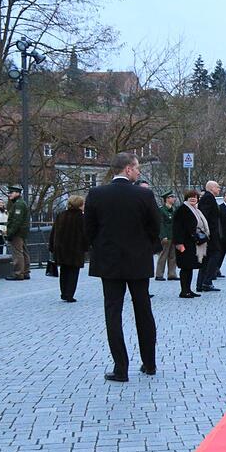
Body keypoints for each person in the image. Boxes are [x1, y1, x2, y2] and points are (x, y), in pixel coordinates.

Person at [84, 152, 161, 382]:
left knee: (113, 313)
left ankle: (121, 368)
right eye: (137, 168)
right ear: (127, 169)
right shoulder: (144, 195)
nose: (138, 172)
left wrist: (103, 247)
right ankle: (149, 363)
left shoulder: (96, 194)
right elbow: (155, 227)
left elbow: (89, 229)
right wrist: (142, 246)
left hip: (109, 263)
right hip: (138, 261)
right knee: (143, 312)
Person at [49, 195, 88, 303]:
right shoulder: (82, 218)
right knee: (73, 273)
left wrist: (52, 246)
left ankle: (64, 292)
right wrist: (86, 247)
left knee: (64, 271)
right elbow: (85, 235)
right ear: (80, 205)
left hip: (61, 249)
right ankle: (70, 294)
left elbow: (54, 232)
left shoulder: (61, 215)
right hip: (75, 249)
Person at [173, 190, 209, 299]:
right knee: (185, 267)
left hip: (192, 243)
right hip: (184, 243)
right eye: (191, 197)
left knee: (189, 267)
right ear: (186, 198)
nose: (193, 199)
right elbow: (177, 228)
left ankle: (188, 290)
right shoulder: (182, 209)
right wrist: (179, 243)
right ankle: (184, 291)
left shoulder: (195, 210)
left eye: (195, 197)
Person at [196, 181, 223, 291]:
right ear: (211, 188)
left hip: (210, 233)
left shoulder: (208, 197)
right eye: (217, 187)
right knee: (214, 255)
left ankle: (202, 283)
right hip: (210, 234)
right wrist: (207, 232)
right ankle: (207, 281)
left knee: (206, 258)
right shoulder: (208, 198)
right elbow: (204, 216)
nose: (219, 189)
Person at [5, 186, 30, 280]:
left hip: (17, 233)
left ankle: (18, 273)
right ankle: (26, 272)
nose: (9, 194)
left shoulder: (18, 204)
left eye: (11, 192)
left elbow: (16, 221)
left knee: (17, 253)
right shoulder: (20, 203)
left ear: (18, 193)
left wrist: (10, 233)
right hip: (22, 232)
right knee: (24, 252)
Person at [155, 191, 178, 281]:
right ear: (167, 199)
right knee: (163, 255)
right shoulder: (161, 210)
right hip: (166, 236)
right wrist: (163, 235)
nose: (174, 199)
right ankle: (159, 274)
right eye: (172, 197)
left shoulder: (174, 209)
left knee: (173, 256)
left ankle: (172, 274)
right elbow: (161, 224)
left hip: (173, 235)